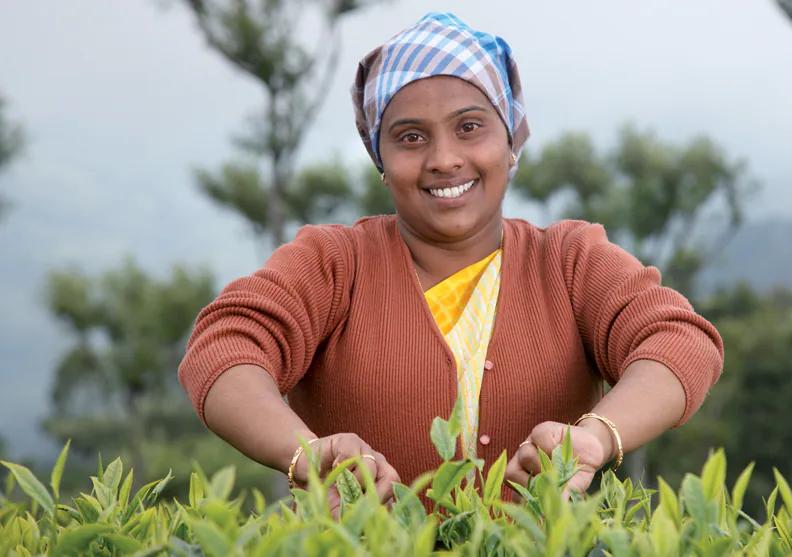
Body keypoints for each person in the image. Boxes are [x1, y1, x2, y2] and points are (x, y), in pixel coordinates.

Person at [177, 12, 723, 510]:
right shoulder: (333, 264)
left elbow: (678, 341)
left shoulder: (569, 261)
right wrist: (306, 454)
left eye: (470, 127)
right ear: (381, 160)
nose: (444, 159)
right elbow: (224, 348)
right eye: (410, 137)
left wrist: (596, 436)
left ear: (510, 142)